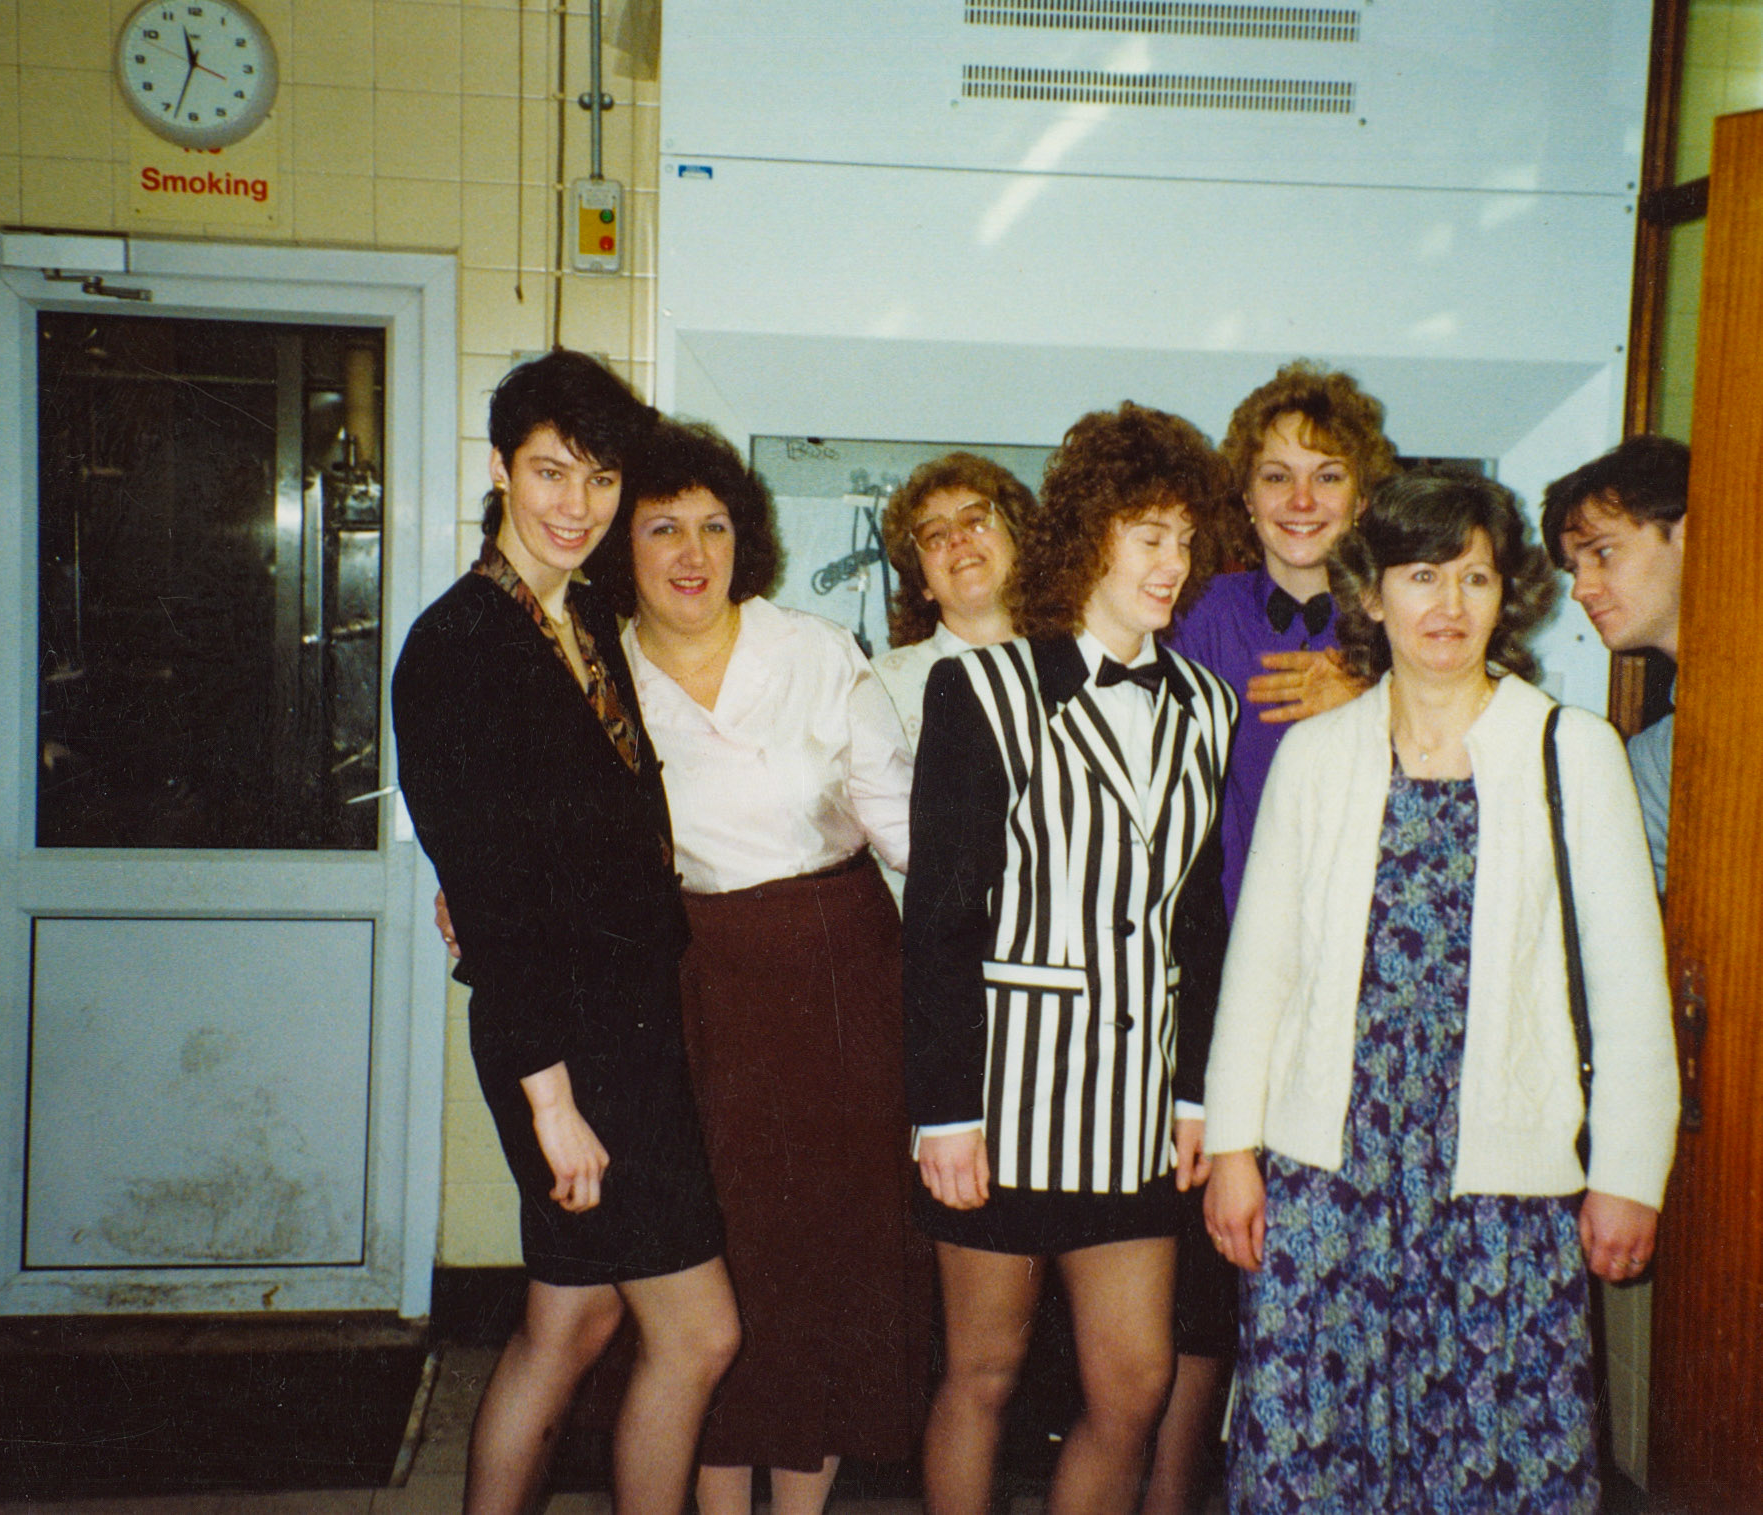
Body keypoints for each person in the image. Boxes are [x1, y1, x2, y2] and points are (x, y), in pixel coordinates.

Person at [1204, 467, 1679, 1513]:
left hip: (1500, 1185)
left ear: (1506, 596)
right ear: (1371, 593)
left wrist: (1628, 1171)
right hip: (1328, 1174)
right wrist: (1233, 1148)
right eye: (1422, 576)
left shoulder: (1571, 751)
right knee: (1315, 1464)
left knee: (1491, 1463)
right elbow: (1261, 971)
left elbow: (1627, 985)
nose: (1448, 607)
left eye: (1474, 578)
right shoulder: (1317, 755)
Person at [391, 352, 740, 1515]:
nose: (575, 506)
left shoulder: (581, 611)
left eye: (598, 479)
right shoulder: (459, 649)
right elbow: (492, 907)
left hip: (621, 1024)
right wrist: (552, 1105)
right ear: (499, 469)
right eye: (549, 472)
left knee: (574, 1319)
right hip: (568, 1047)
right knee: (696, 1337)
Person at [585, 417, 928, 1515]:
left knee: (834, 1260)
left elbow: (902, 830)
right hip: (697, 994)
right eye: (663, 527)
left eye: (715, 527)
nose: (692, 553)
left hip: (839, 982)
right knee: (730, 1265)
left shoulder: (814, 651)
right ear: (621, 546)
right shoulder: (598, 678)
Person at [904, 403, 1237, 1515]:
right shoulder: (985, 691)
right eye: (1149, 536)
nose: (1172, 564)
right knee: (983, 1374)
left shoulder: (1207, 705)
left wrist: (1198, 1093)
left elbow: (1199, 918)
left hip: (1135, 1112)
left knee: (1135, 1384)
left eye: (1185, 541)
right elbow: (941, 922)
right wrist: (941, 1113)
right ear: (1090, 536)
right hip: (1005, 1103)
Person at [1148, 361, 1397, 1514]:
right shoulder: (1202, 617)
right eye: (1276, 476)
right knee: (1210, 1288)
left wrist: (1376, 702)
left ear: (1363, 491)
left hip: (1366, 996)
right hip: (1225, 991)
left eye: (1327, 475)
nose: (1301, 499)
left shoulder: (1411, 617)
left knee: (1346, 1277)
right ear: (1242, 500)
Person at [1540, 435, 1688, 892]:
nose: (1581, 589)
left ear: (1690, 535)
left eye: (1603, 553)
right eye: (1574, 568)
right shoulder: (1663, 755)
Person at [872, 452, 1035, 750]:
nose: (957, 538)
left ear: (1020, 545)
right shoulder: (880, 686)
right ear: (923, 583)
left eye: (975, 520)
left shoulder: (1074, 667)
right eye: (934, 535)